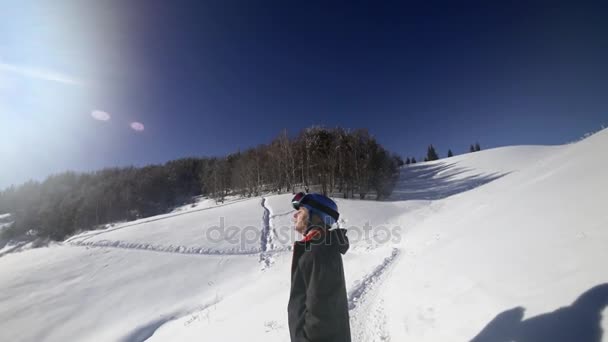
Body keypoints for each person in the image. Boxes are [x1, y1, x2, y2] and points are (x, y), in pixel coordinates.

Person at [287, 192, 351, 342]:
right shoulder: (319, 247)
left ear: (316, 216)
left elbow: (322, 316)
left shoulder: (319, 251)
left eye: (300, 211)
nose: (294, 216)